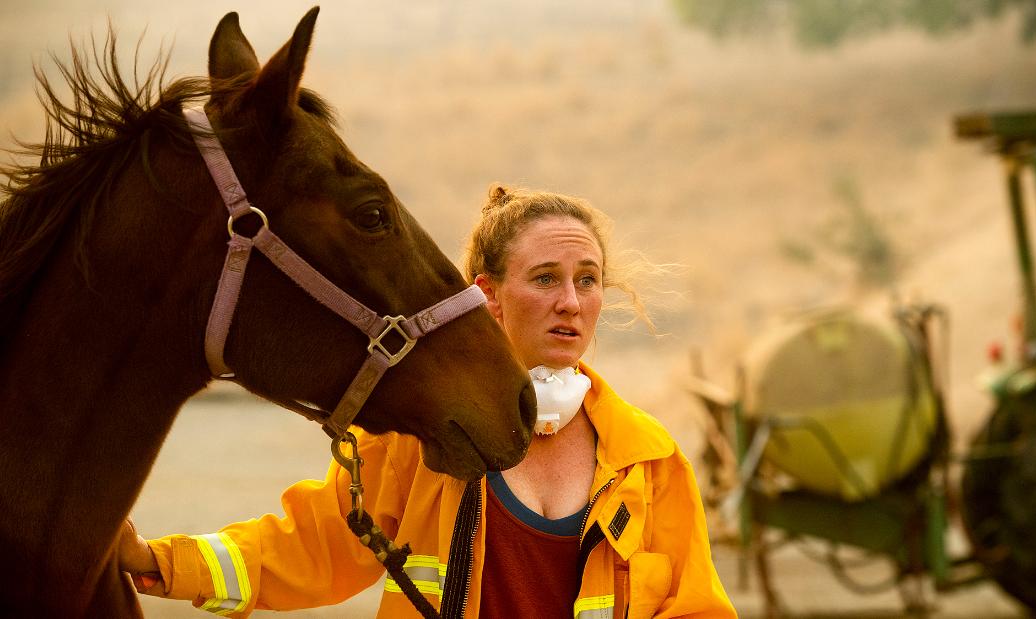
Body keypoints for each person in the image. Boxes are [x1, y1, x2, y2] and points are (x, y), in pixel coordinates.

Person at [119, 184, 736, 618]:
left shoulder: (650, 462)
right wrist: (159, 562)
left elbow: (698, 611)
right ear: (486, 294)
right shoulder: (420, 437)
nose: (571, 302)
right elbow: (305, 547)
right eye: (545, 278)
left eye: (588, 279)